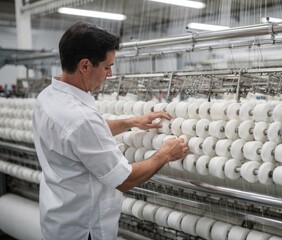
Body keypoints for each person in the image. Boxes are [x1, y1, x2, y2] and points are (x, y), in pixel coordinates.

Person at [32, 22, 188, 240]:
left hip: (59, 219)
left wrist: (132, 121)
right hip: (84, 229)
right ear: (85, 66)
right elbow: (123, 180)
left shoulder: (47, 97)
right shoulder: (81, 118)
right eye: (107, 67)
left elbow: (79, 138)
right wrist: (165, 154)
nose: (110, 74)